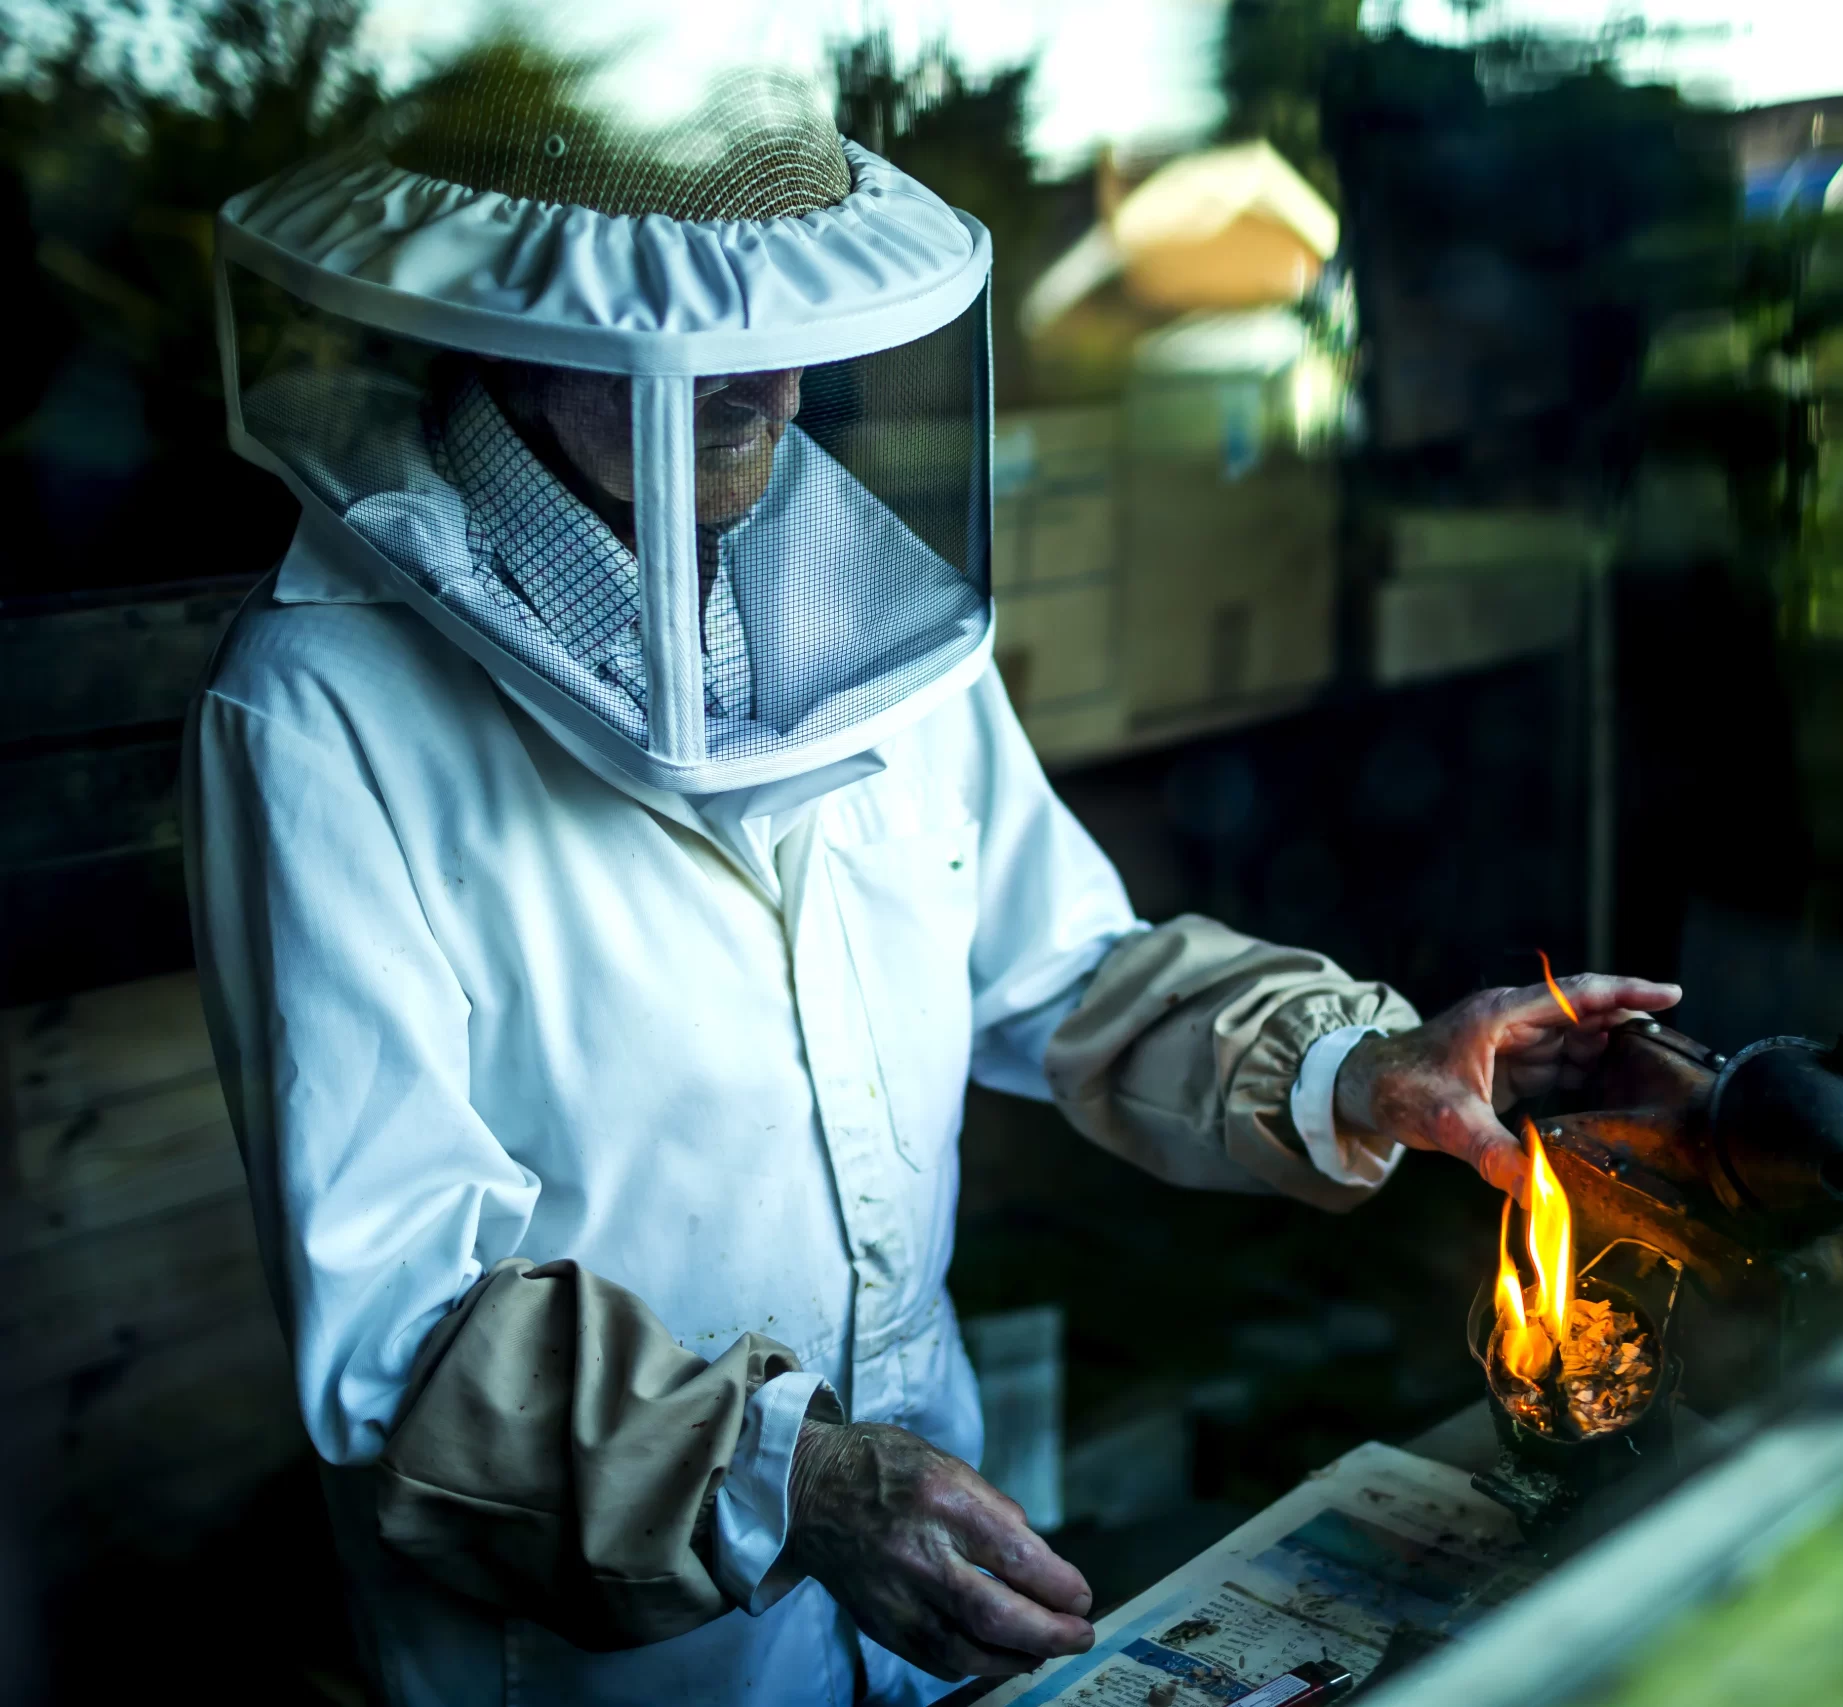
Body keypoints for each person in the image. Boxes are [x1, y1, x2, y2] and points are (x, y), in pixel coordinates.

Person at [185, 51, 1676, 1707]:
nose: (790, 394)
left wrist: (1356, 1064)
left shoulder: (847, 599)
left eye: (795, 336)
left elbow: (1054, 966)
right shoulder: (319, 708)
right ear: (524, 336)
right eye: (714, 344)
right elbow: (402, 1326)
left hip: (927, 1589)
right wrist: (791, 1477)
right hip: (613, 1667)